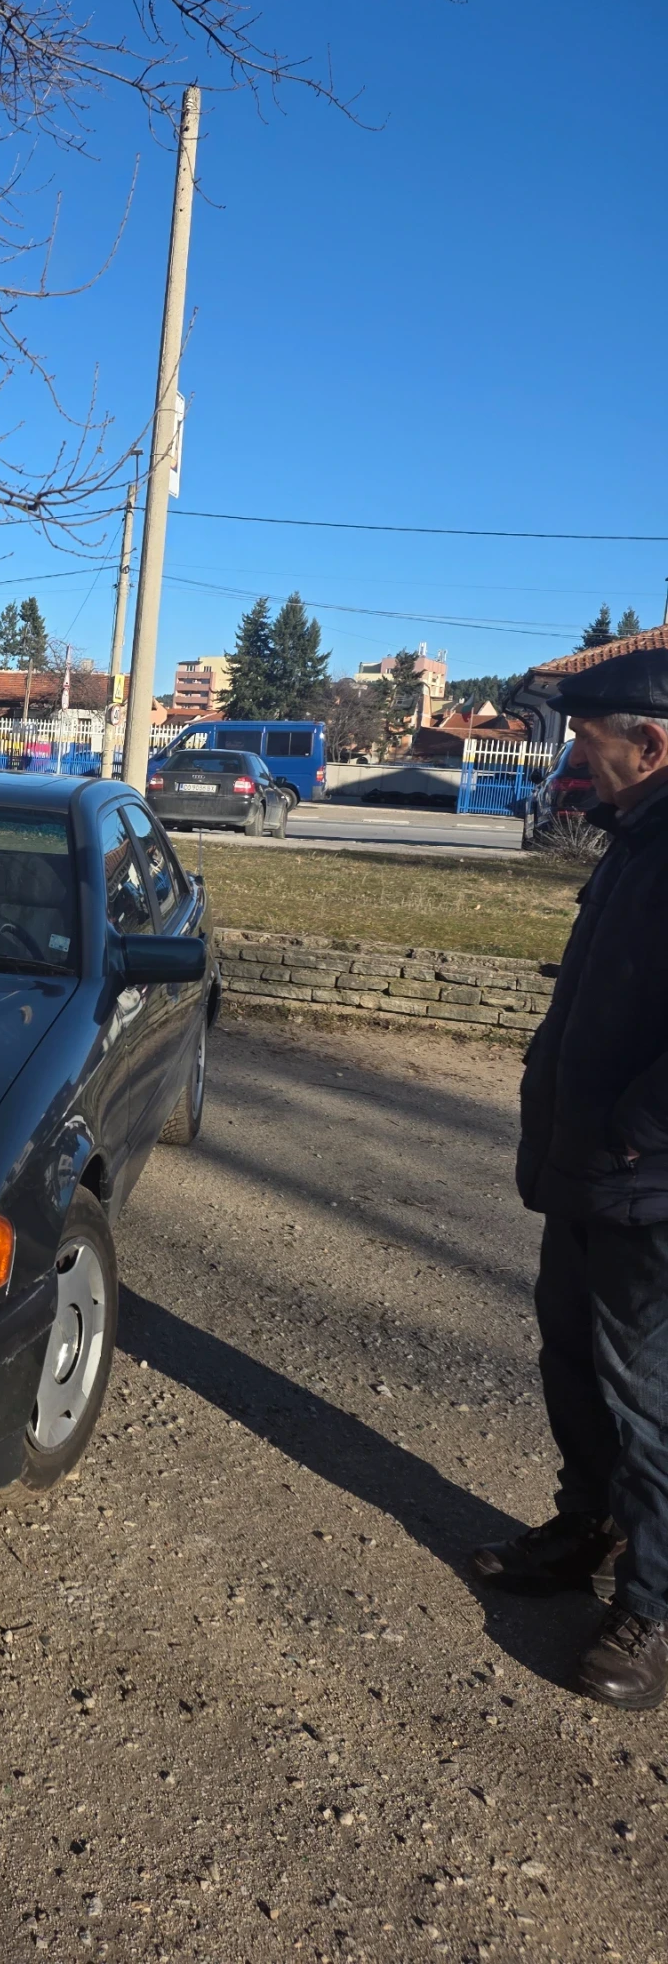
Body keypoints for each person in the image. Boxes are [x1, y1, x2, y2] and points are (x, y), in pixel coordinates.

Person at [471, 646, 668, 1709]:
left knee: (649, 1400)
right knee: (573, 1364)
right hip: (589, 1169)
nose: (575, 766)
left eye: (589, 745)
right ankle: (585, 1527)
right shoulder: (633, 840)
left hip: (647, 1184)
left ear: (652, 743)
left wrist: (634, 1133)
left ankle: (650, 1603)